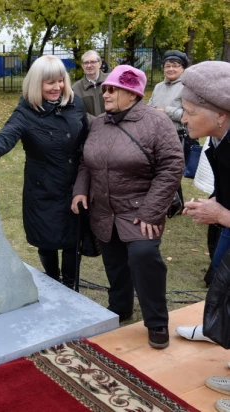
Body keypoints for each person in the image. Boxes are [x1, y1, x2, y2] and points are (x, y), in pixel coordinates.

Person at [71, 65, 184, 349]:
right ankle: (119, 307)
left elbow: (172, 166)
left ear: (132, 94)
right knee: (115, 262)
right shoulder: (98, 123)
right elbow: (87, 162)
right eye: (104, 88)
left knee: (144, 258)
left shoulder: (157, 123)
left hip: (141, 211)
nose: (105, 94)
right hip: (104, 210)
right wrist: (80, 190)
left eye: (112, 89)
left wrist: (151, 210)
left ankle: (156, 321)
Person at [0, 55, 89, 289]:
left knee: (73, 241)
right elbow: (3, 140)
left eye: (60, 81)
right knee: (48, 241)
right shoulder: (26, 112)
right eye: (49, 82)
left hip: (75, 187)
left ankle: (72, 286)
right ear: (36, 83)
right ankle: (53, 283)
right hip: (43, 190)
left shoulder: (76, 104)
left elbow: (88, 136)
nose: (57, 87)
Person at [166, 60, 230, 412]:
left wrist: (222, 214)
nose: (184, 118)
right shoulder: (220, 138)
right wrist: (215, 203)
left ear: (220, 114)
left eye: (190, 111)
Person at [148, 50, 190, 212]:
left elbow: (188, 115)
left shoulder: (186, 88)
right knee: (158, 169)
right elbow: (151, 105)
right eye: (167, 66)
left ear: (183, 68)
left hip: (177, 135)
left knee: (170, 171)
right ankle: (174, 203)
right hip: (156, 135)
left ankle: (174, 203)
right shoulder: (158, 86)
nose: (171, 69)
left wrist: (167, 111)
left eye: (175, 66)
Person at [73, 50, 109, 123]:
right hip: (89, 130)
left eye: (92, 62)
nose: (89, 65)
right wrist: (96, 122)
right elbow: (76, 112)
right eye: (86, 63)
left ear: (100, 63)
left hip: (112, 127)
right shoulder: (76, 88)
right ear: (82, 66)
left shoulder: (111, 81)